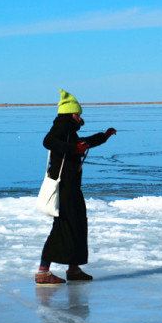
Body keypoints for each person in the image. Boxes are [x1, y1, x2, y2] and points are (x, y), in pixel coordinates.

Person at [35, 89, 116, 285]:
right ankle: (43, 271)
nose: (80, 117)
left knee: (78, 225)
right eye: (78, 114)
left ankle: (73, 268)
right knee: (63, 226)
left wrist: (102, 137)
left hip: (72, 188)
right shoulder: (62, 127)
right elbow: (48, 141)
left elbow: (82, 143)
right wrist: (74, 149)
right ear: (71, 114)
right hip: (63, 188)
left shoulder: (70, 132)